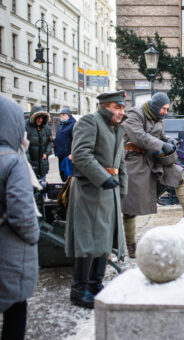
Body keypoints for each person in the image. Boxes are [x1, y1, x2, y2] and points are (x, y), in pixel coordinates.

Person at [65, 91, 128, 308]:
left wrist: (122, 187)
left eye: (123, 107)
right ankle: (79, 290)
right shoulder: (90, 122)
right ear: (104, 106)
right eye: (117, 107)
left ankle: (94, 284)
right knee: (89, 238)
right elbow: (81, 153)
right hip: (90, 188)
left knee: (105, 236)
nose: (122, 111)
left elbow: (121, 160)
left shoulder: (118, 128)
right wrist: (103, 178)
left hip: (109, 187)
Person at [122, 93, 184, 258]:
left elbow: (160, 134)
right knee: (130, 205)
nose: (165, 112)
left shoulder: (157, 117)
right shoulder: (135, 114)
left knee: (179, 175)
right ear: (154, 106)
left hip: (153, 158)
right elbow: (139, 136)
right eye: (163, 108)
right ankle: (131, 244)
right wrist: (162, 145)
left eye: (167, 108)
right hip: (134, 160)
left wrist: (169, 140)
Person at [0, 97, 40, 340]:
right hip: (10, 253)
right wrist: (33, 236)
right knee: (15, 311)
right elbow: (21, 213)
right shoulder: (13, 161)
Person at [26, 105, 52, 179]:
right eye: (38, 118)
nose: (40, 120)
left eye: (42, 118)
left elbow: (50, 142)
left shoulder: (46, 127)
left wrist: (47, 152)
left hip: (42, 164)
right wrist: (28, 160)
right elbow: (23, 145)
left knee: (43, 186)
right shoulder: (26, 126)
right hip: (31, 164)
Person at [53, 108, 76, 181]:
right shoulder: (61, 125)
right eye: (61, 114)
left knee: (68, 176)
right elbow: (60, 138)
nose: (61, 116)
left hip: (68, 156)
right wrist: (54, 142)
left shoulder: (73, 125)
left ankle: (69, 191)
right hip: (60, 154)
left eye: (63, 114)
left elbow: (75, 139)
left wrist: (72, 153)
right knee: (62, 175)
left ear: (68, 115)